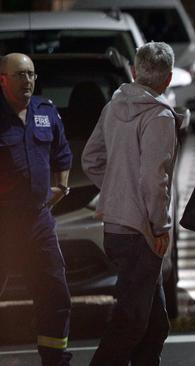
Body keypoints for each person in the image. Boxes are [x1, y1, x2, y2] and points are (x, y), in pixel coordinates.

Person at [82, 42, 183, 366]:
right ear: (167, 79)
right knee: (132, 322)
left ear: (135, 71)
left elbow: (91, 159)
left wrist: (117, 193)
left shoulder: (114, 107)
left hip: (114, 227)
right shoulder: (159, 116)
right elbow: (155, 179)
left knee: (154, 325)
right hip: (141, 231)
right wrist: (159, 226)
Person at [0, 53, 73, 366]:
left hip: (39, 223)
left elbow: (63, 153)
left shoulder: (45, 111)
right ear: (2, 78)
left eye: (30, 74)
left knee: (55, 295)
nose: (27, 80)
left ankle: (54, 359)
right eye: (19, 74)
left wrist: (61, 188)